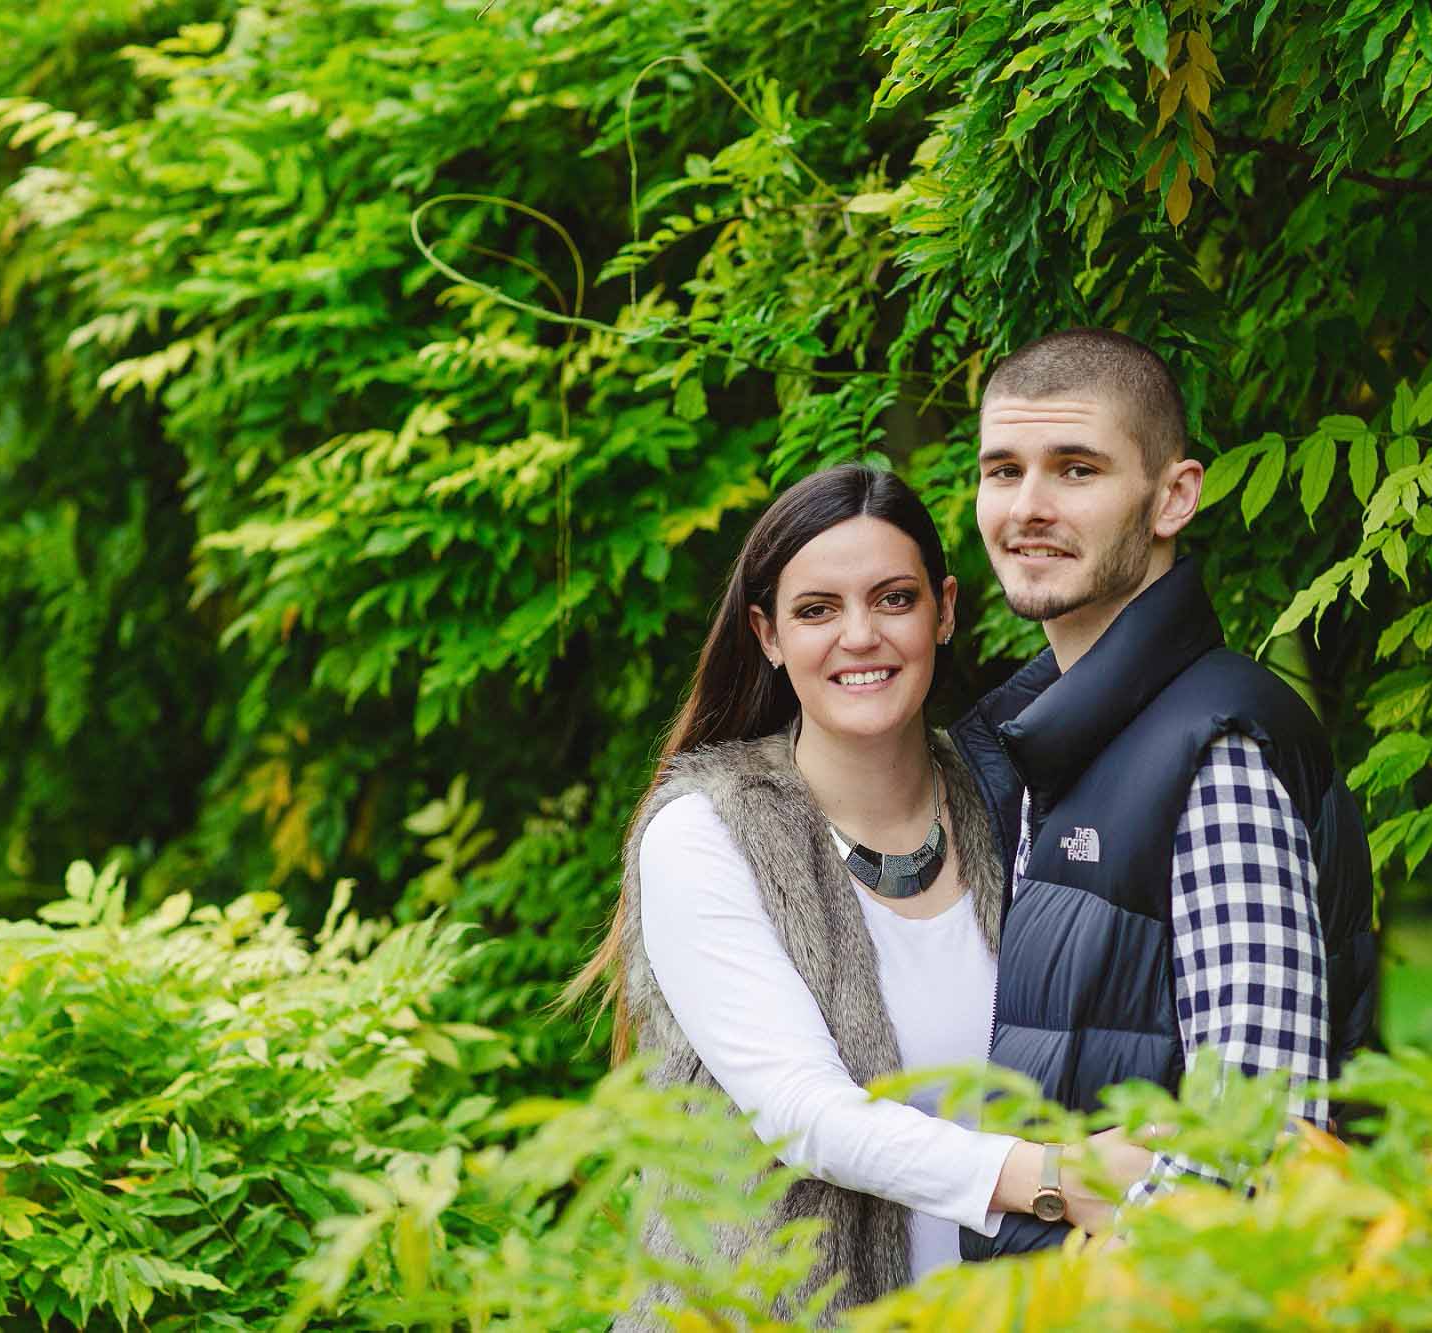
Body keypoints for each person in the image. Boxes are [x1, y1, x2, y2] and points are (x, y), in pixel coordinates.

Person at [569, 464, 1150, 1326]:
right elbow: (806, 1115)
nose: (859, 635)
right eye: (816, 610)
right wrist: (1059, 1178)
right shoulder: (706, 833)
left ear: (944, 610)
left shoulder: (1009, 806)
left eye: (893, 599)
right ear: (768, 634)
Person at [948, 328, 1380, 1261]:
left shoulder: (1214, 750)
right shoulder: (1045, 740)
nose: (1027, 507)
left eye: (1074, 469)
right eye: (1002, 469)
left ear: (1173, 496)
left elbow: (1257, 1145)